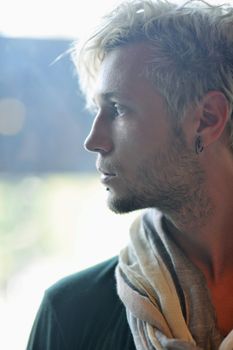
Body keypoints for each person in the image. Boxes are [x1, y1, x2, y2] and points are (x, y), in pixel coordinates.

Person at [26, 0, 233, 349]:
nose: (94, 141)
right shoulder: (73, 314)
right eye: (96, 111)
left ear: (207, 119)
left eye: (118, 109)